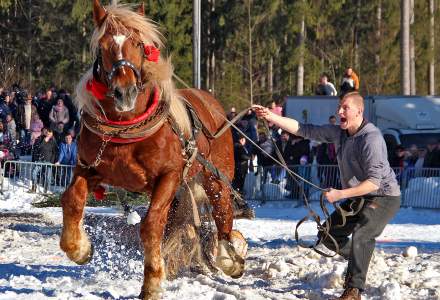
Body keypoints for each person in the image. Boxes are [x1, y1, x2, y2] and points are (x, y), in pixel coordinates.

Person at [253, 92, 401, 300]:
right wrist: (271, 117)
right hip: (358, 195)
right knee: (328, 236)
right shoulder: (338, 133)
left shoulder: (371, 138)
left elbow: (373, 182)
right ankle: (360, 257)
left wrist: (341, 193)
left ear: (359, 111)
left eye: (345, 108)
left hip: (383, 196)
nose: (339, 111)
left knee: (362, 234)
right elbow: (304, 130)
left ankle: (353, 290)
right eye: (339, 107)